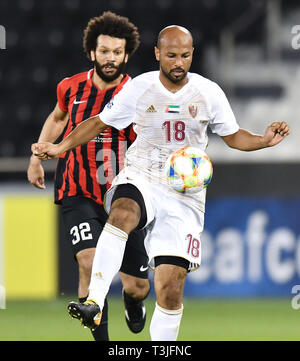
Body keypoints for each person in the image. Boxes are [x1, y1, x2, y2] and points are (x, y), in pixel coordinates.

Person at [32, 25, 290, 341]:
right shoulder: (140, 88)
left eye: (184, 55)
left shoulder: (208, 92)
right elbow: (99, 121)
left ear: (192, 54)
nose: (178, 63)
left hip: (185, 193)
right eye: (171, 55)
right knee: (123, 213)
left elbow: (233, 136)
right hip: (142, 175)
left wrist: (262, 140)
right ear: (157, 54)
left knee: (169, 288)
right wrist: (59, 147)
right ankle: (94, 301)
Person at [27, 11, 150, 341]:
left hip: (124, 197)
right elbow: (57, 117)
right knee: (89, 261)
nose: (111, 58)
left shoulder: (138, 95)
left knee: (138, 285)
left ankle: (133, 301)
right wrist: (37, 157)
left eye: (117, 52)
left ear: (127, 54)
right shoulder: (70, 88)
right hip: (77, 191)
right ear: (92, 52)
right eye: (105, 51)